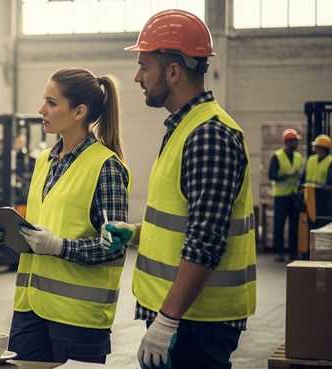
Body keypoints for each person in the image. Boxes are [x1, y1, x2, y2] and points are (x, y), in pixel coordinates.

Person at [105, 9, 257, 369]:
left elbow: (206, 240)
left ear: (173, 72)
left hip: (196, 323)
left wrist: (167, 321)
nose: (137, 78)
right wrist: (136, 233)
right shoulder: (185, 127)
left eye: (144, 67)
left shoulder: (208, 135)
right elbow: (184, 223)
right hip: (183, 317)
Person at [0, 68, 131, 364]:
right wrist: (6, 235)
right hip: (29, 311)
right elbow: (41, 231)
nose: (42, 109)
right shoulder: (44, 161)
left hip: (78, 319)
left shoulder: (106, 167)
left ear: (79, 111)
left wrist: (60, 247)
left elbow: (114, 248)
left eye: (51, 103)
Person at [269, 128, 304, 262]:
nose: (296, 144)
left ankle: (292, 253)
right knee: (279, 225)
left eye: (296, 141)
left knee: (294, 226)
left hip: (293, 195)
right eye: (294, 141)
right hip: (281, 196)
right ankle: (279, 252)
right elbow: (271, 175)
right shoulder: (277, 156)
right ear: (287, 143)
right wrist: (287, 176)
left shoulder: (298, 157)